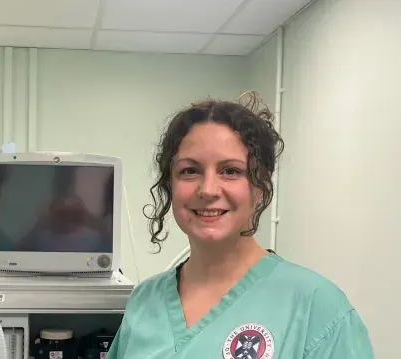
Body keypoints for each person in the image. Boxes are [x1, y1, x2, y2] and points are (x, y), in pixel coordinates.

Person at [106, 92, 374, 358]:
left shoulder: (318, 309)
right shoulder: (144, 301)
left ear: (260, 187)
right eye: (189, 171)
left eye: (231, 171)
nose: (208, 189)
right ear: (170, 185)